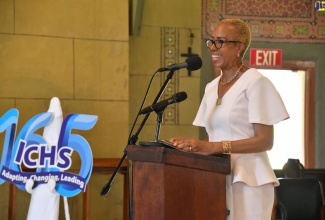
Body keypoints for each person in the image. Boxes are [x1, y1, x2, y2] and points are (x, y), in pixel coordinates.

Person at [169, 19, 289, 220]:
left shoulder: (256, 82)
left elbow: (265, 141)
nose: (213, 48)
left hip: (249, 180)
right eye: (211, 41)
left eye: (221, 42)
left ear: (239, 47)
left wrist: (212, 147)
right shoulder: (211, 87)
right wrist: (191, 147)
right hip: (217, 176)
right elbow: (213, 139)